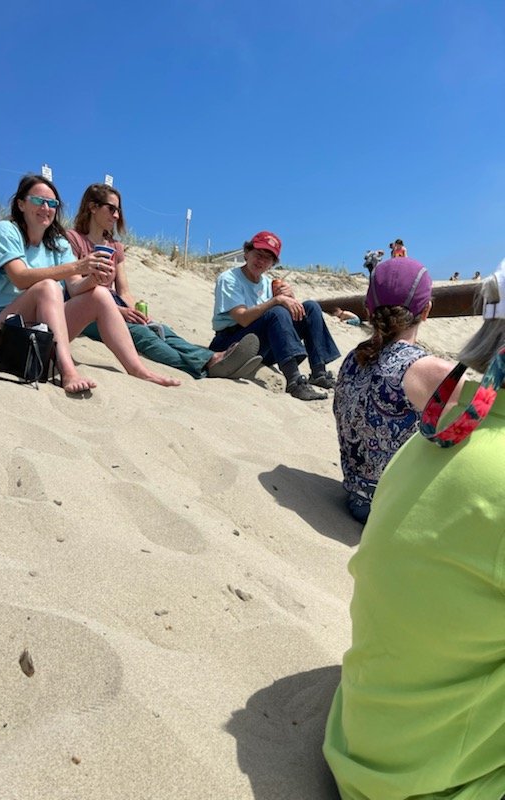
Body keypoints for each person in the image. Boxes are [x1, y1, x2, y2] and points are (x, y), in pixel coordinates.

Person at [324, 262, 505, 800]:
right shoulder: (423, 370)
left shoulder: (430, 426)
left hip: (356, 742)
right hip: (434, 783)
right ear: (424, 311)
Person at [0, 174, 179, 394]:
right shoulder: (7, 230)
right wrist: (78, 267)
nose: (46, 207)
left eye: (52, 203)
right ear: (21, 204)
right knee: (48, 287)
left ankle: (137, 368)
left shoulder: (58, 243)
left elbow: (75, 288)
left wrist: (93, 277)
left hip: (40, 328)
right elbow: (20, 277)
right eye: (38, 201)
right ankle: (67, 371)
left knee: (100, 294)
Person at [65, 183, 262, 380]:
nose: (116, 215)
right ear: (92, 207)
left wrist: (137, 313)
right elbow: (74, 289)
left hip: (115, 305)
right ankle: (206, 365)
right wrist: (119, 311)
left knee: (160, 330)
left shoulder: (116, 247)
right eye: (111, 208)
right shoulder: (73, 239)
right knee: (144, 336)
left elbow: (123, 292)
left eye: (119, 210)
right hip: (87, 310)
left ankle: (214, 358)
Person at [333, 257, 461, 523]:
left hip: (357, 499)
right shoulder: (432, 372)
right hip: (394, 511)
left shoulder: (352, 359)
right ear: (426, 311)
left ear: (368, 309)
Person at [209, 231, 341, 401]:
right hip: (231, 344)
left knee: (310, 307)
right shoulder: (230, 279)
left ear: (272, 264)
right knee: (276, 312)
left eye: (267, 258)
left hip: (263, 344)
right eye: (258, 254)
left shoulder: (267, 283)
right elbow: (242, 318)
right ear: (247, 253)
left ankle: (319, 372)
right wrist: (277, 300)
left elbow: (285, 318)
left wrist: (290, 298)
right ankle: (294, 381)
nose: (261, 261)